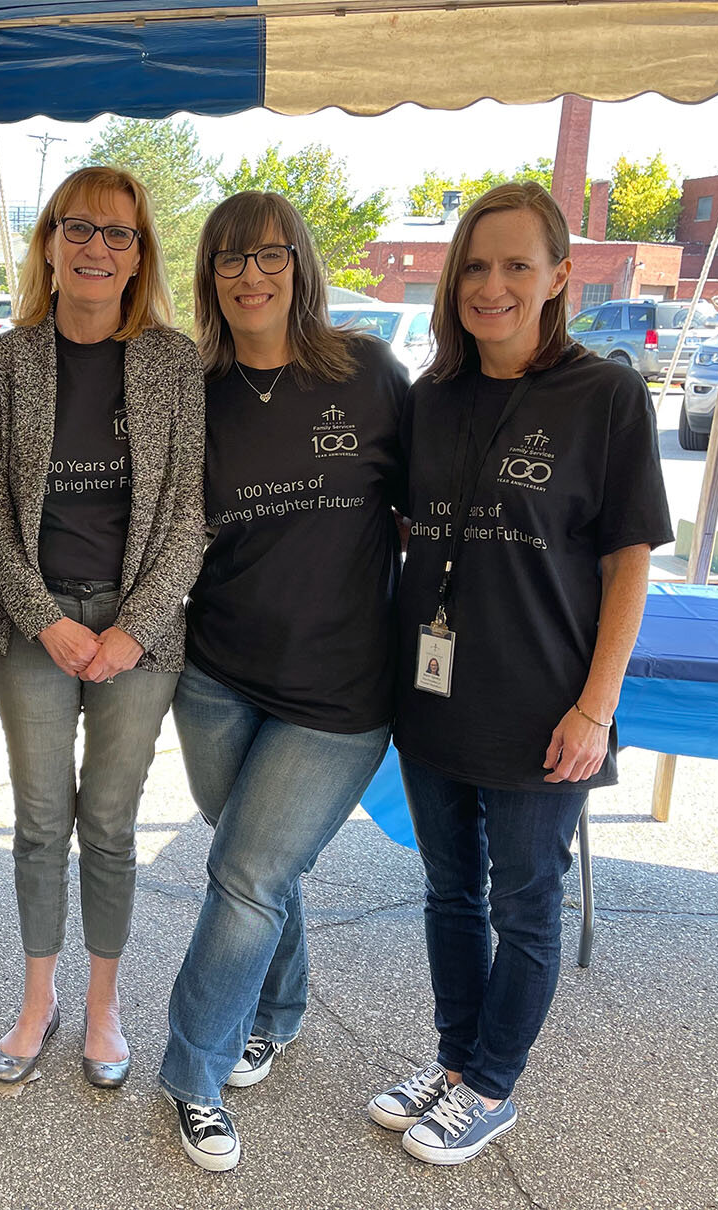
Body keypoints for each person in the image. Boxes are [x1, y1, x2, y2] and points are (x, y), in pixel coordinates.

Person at [371, 181, 672, 1165]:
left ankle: (492, 1084)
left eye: (512, 265)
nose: (489, 284)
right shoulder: (429, 400)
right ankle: (456, 1064)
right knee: (447, 893)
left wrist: (596, 707)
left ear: (557, 278)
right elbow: (409, 533)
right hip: (432, 700)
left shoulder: (605, 396)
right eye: (473, 265)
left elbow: (628, 559)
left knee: (521, 905)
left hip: (545, 708)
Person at [156, 192, 409, 1172]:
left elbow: (427, 517)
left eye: (266, 255)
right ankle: (280, 1006)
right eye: (228, 259)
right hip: (217, 674)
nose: (248, 275)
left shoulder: (368, 374)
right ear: (209, 275)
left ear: (298, 263)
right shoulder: (192, 387)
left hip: (340, 695)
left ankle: (193, 1072)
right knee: (257, 859)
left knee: (246, 870)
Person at [0, 166, 204, 1090]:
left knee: (107, 824)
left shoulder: (173, 362)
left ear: (140, 253)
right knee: (38, 822)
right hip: (35, 622)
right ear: (49, 244)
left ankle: (103, 1007)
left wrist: (133, 629)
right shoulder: (5, 361)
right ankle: (40, 999)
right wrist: (46, 620)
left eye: (118, 234)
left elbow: (189, 513)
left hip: (139, 631)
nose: (97, 248)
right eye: (79, 229)